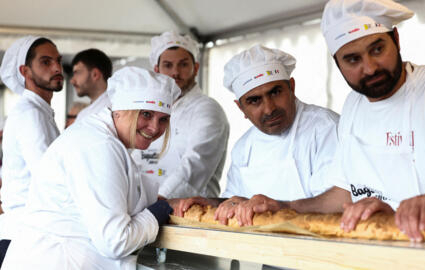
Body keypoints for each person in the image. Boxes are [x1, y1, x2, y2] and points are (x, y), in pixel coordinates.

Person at [207, 0, 425, 228]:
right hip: (371, 246)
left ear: (396, 39)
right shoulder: (353, 106)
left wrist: (412, 208)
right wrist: (284, 206)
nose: (370, 67)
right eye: (353, 59)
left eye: (377, 49)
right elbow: (344, 192)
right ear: (336, 62)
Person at [2, 66, 179, 269]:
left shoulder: (100, 138)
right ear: (120, 111)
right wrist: (159, 211)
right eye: (146, 114)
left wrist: (155, 204)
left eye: (163, 119)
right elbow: (116, 241)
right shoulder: (99, 146)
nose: (155, 128)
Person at [172, 45, 340, 226]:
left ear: (291, 87)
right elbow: (236, 199)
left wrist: (282, 206)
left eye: (275, 92)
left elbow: (340, 202)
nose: (269, 108)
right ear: (240, 107)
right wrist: (214, 203)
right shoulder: (244, 147)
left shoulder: (326, 128)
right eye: (254, 100)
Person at [132, 31, 229, 199]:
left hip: (190, 215)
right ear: (156, 70)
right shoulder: (151, 111)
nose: (175, 72)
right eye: (168, 65)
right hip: (146, 211)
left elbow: (196, 163)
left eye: (183, 65)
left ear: (196, 68)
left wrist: (159, 203)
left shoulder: (207, 109)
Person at [0, 36, 63, 238]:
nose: (57, 68)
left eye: (58, 61)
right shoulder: (30, 113)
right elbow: (49, 176)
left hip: (33, 228)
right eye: (46, 62)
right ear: (24, 71)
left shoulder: (40, 111)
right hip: (26, 233)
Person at [70, 48, 112, 122]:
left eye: (77, 73)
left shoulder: (111, 110)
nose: (72, 81)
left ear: (95, 75)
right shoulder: (117, 105)